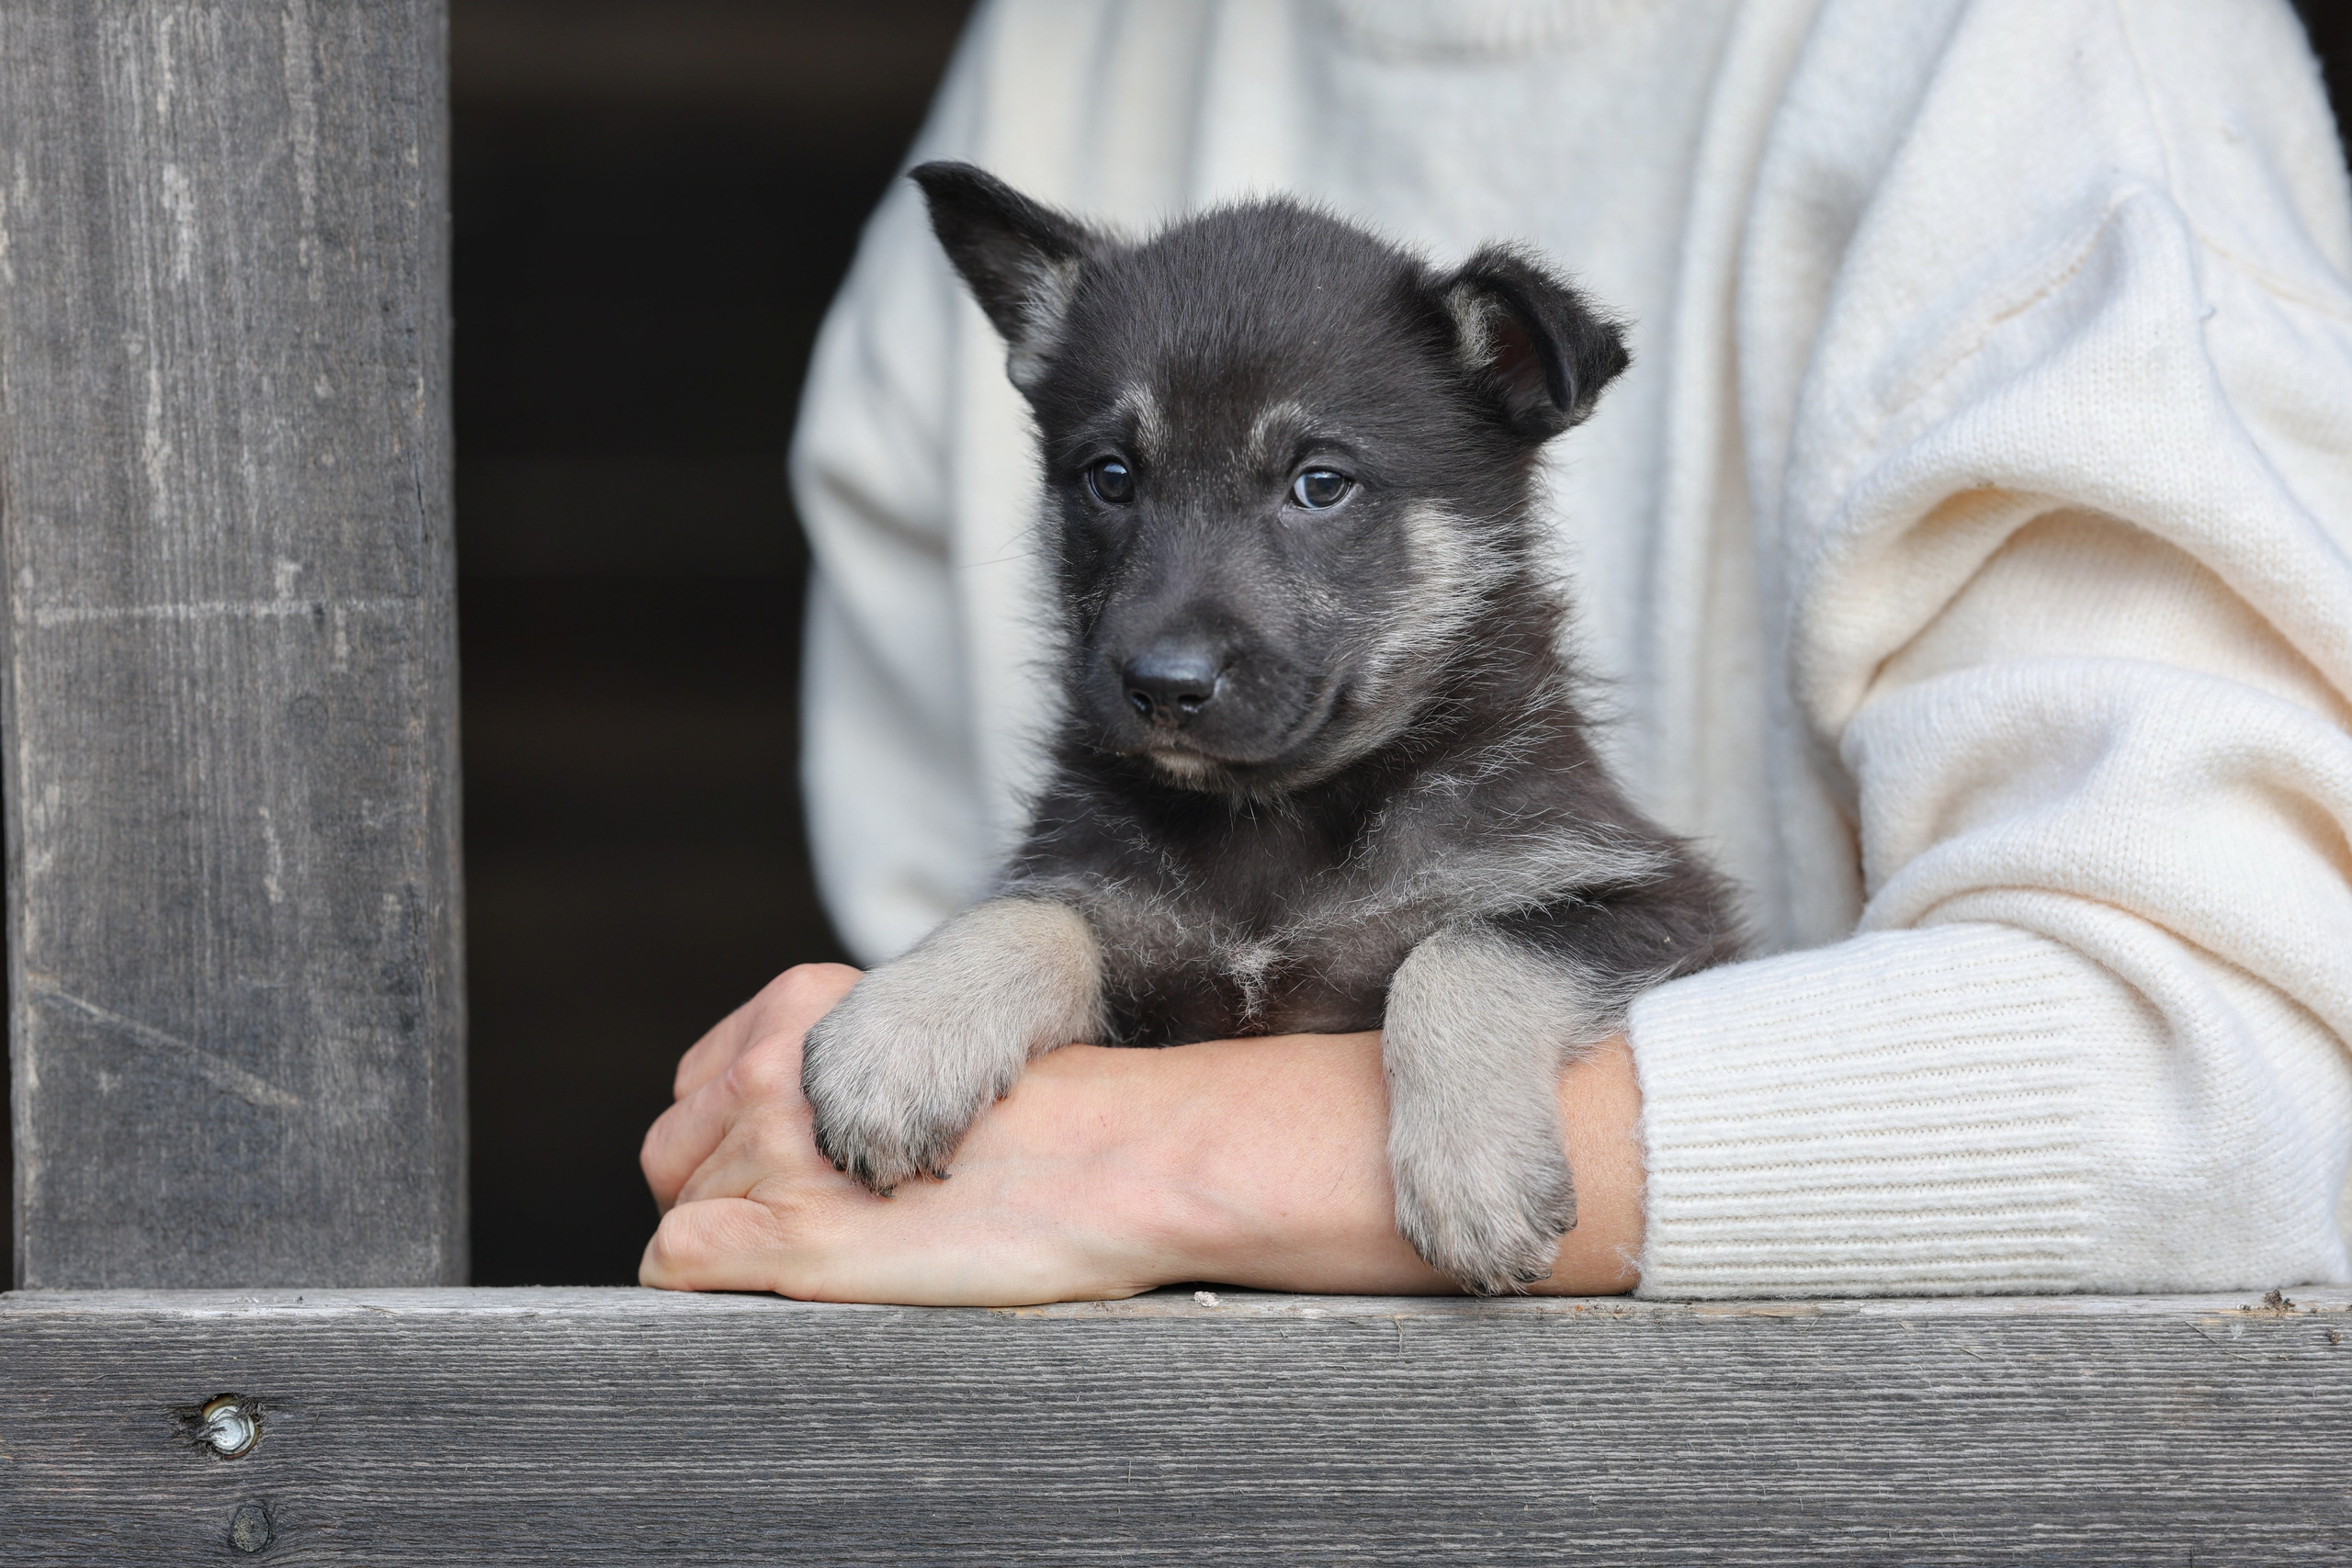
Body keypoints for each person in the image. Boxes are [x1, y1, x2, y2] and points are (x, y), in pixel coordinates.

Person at [639, 0, 2352, 1303]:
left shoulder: (2076, 63)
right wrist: (1005, 985)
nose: (1171, 621)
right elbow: (943, 1081)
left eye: (1318, 489)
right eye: (1114, 483)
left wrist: (1202, 1149)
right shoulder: (1061, 46)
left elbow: (2236, 1089)